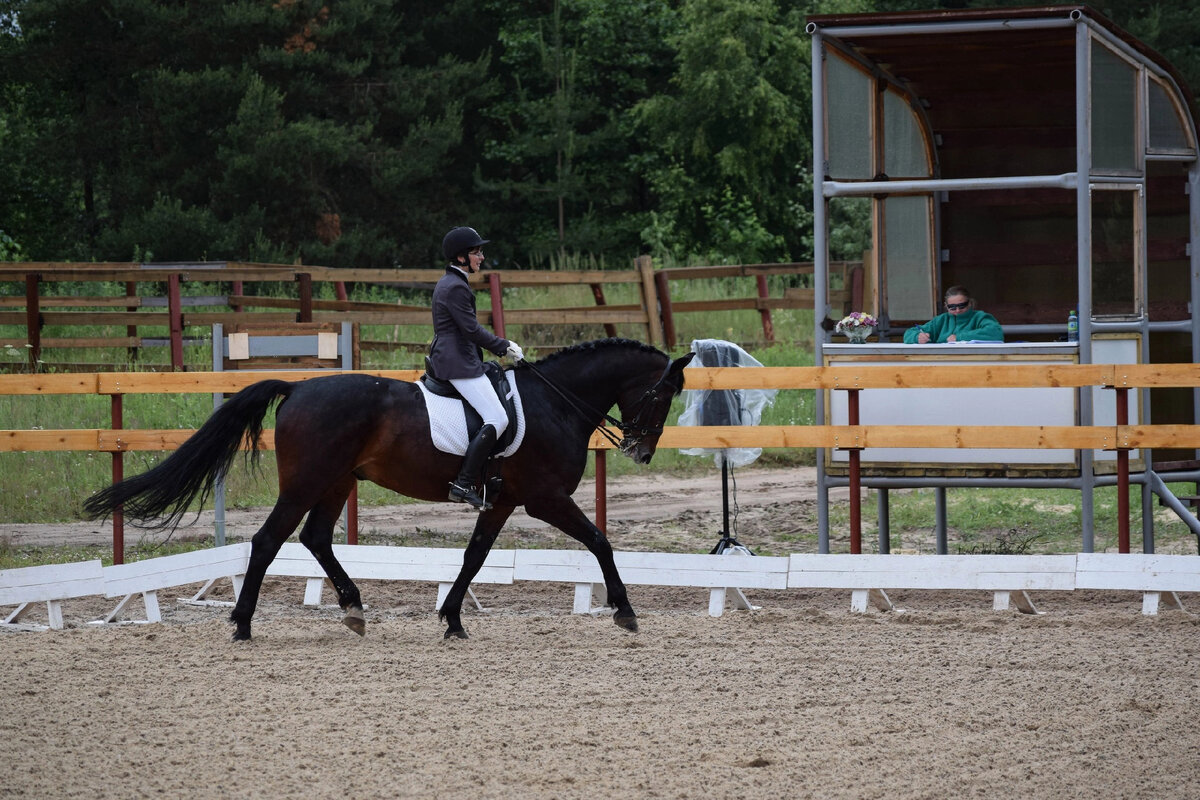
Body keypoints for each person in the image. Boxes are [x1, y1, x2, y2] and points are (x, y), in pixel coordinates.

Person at [430, 226, 524, 509]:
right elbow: (471, 330)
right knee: (498, 418)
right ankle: (463, 482)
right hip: (458, 361)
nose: (481, 257)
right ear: (461, 257)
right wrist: (503, 346)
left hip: (457, 356)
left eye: (480, 251)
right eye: (476, 252)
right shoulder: (456, 286)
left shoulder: (450, 282)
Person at [902, 285, 1003, 344]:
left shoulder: (979, 317)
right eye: (952, 307)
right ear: (946, 306)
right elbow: (909, 333)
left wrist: (959, 337)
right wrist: (917, 337)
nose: (958, 310)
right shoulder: (941, 320)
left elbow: (995, 332)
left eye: (962, 305)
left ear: (970, 303)